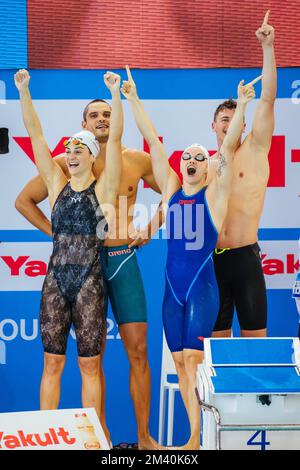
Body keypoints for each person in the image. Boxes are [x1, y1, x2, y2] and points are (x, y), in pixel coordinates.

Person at [14, 83, 163, 450]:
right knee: (68, 362)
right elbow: (34, 142)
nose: (101, 119)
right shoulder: (61, 168)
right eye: (93, 115)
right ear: (81, 125)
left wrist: (152, 226)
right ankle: (88, 439)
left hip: (114, 263)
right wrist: (59, 232)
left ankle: (136, 440)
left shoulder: (121, 167)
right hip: (68, 273)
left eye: (107, 115)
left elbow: (175, 188)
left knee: (119, 356)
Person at [121, 65, 258, 449]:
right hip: (171, 293)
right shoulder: (171, 193)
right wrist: (133, 99)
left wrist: (243, 105)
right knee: (181, 363)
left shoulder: (213, 197)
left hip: (201, 290)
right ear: (181, 166)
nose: (193, 161)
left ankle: (199, 437)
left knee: (194, 363)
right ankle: (194, 434)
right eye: (188, 158)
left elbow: (227, 149)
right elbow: (152, 138)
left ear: (206, 166)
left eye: (200, 157)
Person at [14, 69, 123, 444]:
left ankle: (91, 440)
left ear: (93, 156)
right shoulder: (57, 182)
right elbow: (36, 135)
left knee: (90, 365)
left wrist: (115, 95)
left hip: (90, 284)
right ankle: (47, 438)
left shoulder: (105, 186)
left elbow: (118, 136)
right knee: (52, 362)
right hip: (55, 283)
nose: (71, 153)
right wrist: (24, 92)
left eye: (79, 149)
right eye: (69, 149)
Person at [212, 11, 277, 338]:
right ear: (213, 126)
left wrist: (268, 48)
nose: (228, 123)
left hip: (245, 260)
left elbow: (267, 99)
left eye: (233, 117)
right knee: (216, 352)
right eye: (223, 119)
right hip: (211, 261)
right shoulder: (206, 166)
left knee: (257, 345)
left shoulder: (255, 149)